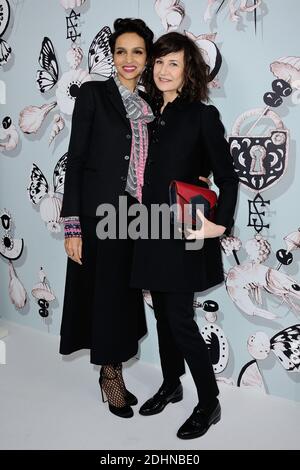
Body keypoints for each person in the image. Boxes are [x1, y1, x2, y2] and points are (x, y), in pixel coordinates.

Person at [130, 32, 239, 438]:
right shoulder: (144, 115)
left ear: (188, 69)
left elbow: (227, 178)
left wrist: (220, 224)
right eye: (159, 62)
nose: (163, 70)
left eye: (173, 63)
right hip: (148, 230)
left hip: (182, 231)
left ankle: (209, 402)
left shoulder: (201, 116)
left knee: (180, 320)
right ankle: (171, 383)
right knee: (162, 317)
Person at [59, 18, 154, 419]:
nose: (128, 59)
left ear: (147, 57)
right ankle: (110, 376)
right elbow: (76, 161)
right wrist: (73, 226)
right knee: (107, 295)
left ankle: (115, 366)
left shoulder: (154, 103)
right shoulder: (95, 95)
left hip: (137, 216)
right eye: (121, 51)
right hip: (100, 215)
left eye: (137, 51)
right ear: (112, 57)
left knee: (125, 295)